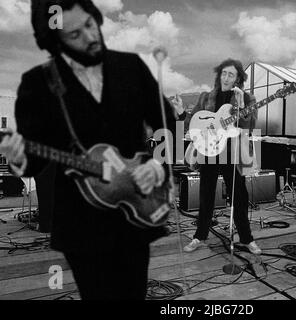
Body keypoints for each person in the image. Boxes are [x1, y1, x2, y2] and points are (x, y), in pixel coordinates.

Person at [0, 0, 178, 300]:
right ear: (54, 41)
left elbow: (167, 121)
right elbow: (32, 161)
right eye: (74, 35)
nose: (90, 37)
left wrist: (158, 164)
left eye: (90, 24)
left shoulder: (130, 66)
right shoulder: (38, 84)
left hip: (136, 210)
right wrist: (17, 157)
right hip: (81, 224)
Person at [172, 59, 262, 254]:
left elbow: (250, 126)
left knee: (239, 195)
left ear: (238, 78)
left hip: (233, 151)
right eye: (223, 73)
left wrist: (240, 107)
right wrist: (180, 113)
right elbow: (193, 123)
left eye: (231, 74)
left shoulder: (246, 99)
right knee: (206, 195)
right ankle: (199, 236)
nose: (226, 77)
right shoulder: (206, 98)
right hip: (208, 150)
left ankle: (246, 238)